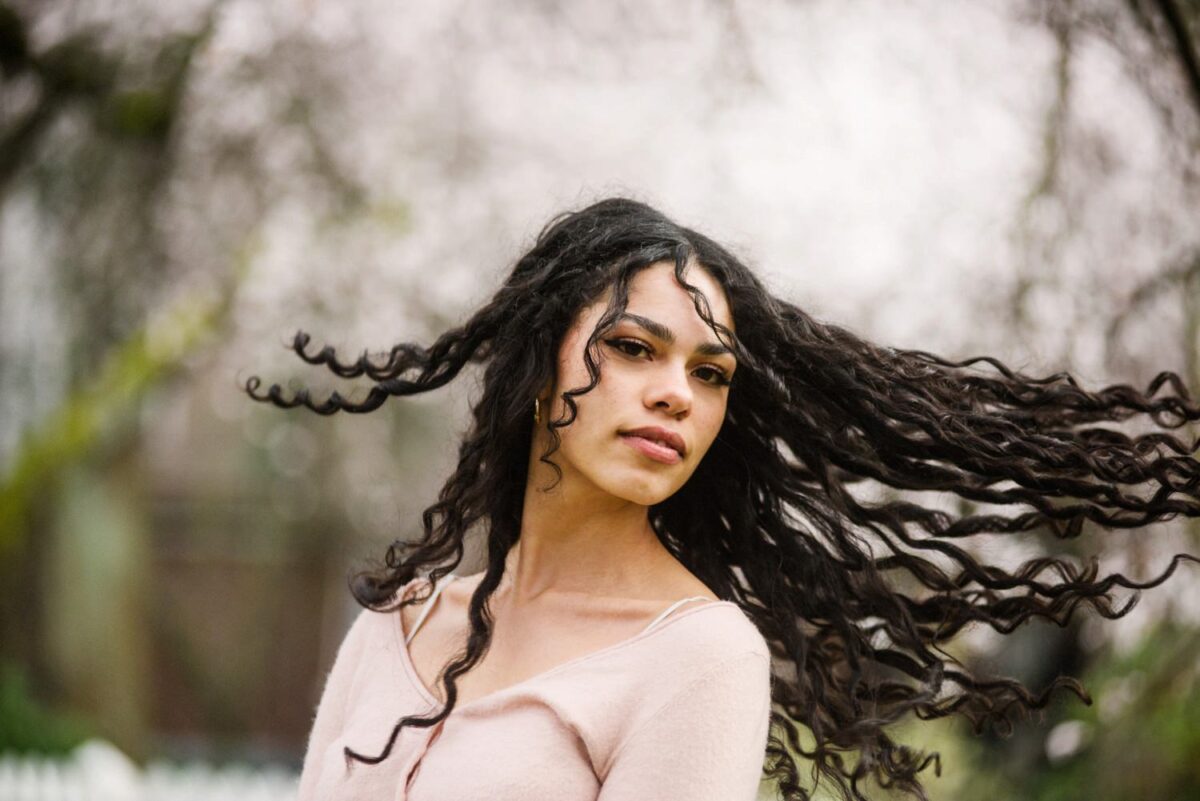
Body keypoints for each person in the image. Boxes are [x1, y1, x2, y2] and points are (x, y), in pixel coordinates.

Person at [245, 197, 1200, 801]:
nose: (677, 393)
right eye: (634, 348)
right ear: (540, 368)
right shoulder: (398, 624)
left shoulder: (698, 657)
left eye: (710, 372)